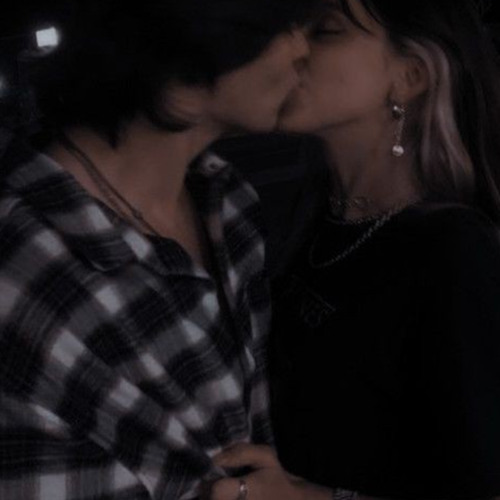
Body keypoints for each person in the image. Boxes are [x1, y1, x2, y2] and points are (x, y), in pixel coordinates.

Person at [0, 0, 316, 498]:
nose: (302, 48)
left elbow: (244, 459)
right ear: (179, 71)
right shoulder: (29, 274)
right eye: (277, 26)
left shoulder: (228, 203)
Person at [208, 0, 500, 499]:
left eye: (324, 32)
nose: (290, 49)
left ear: (410, 76)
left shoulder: (454, 252)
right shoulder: (319, 220)